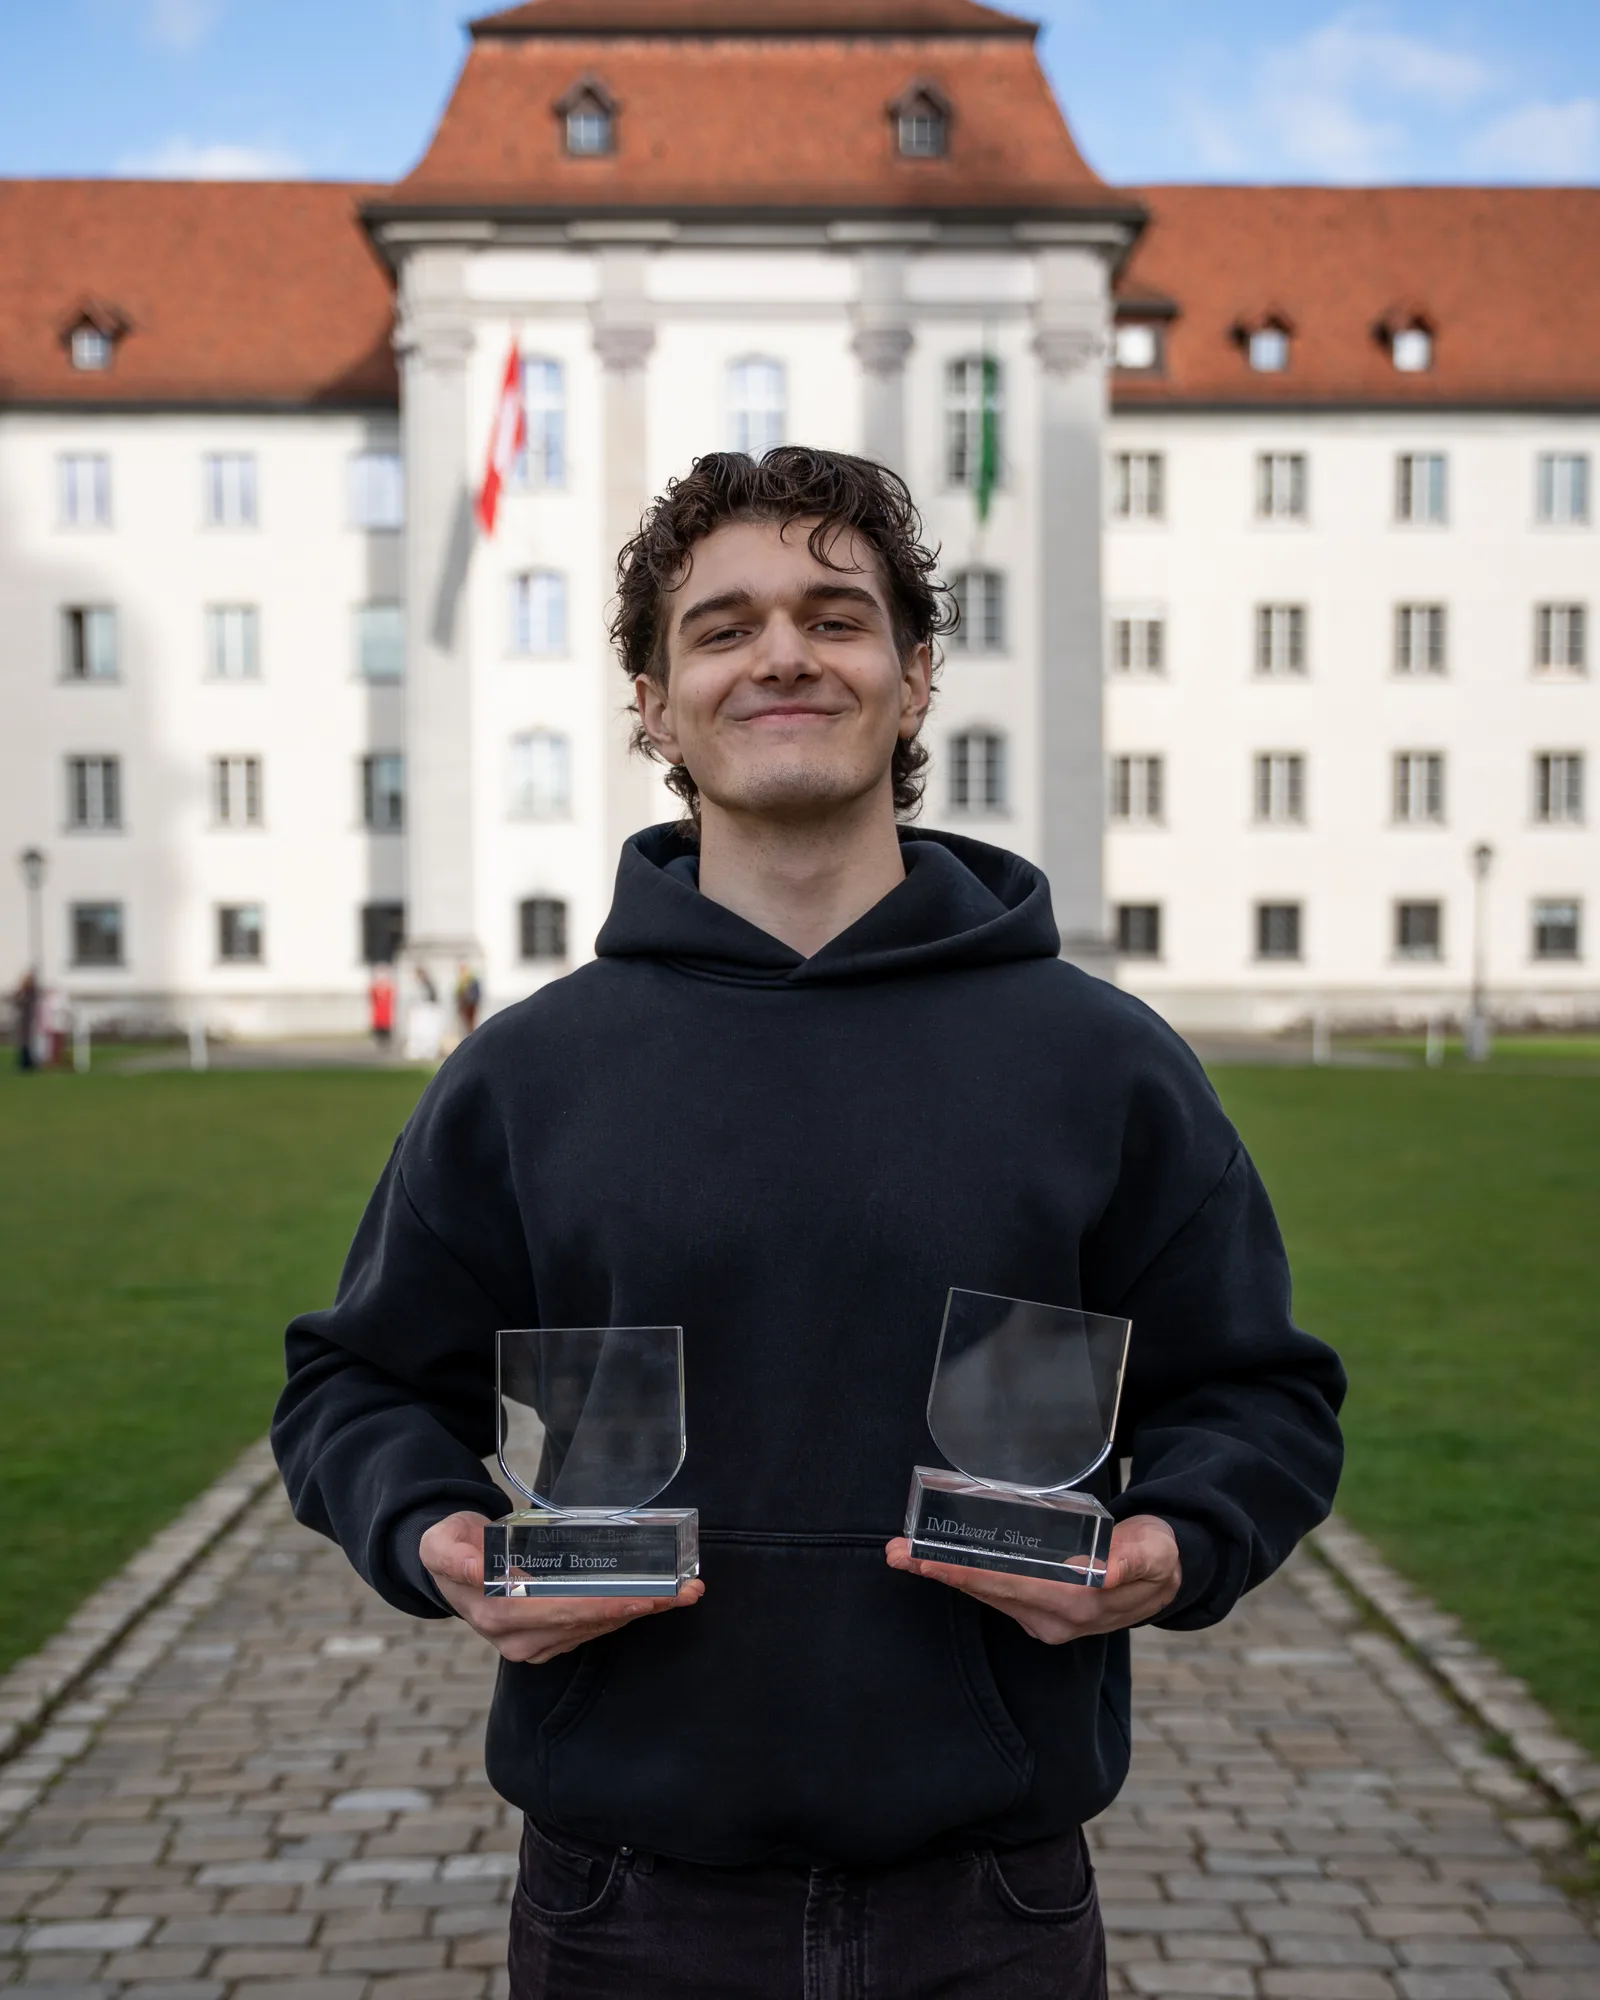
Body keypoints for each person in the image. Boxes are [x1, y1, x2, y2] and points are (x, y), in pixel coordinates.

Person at [274, 448, 1345, 2000]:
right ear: (652, 703)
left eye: (836, 618)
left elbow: (1259, 1396)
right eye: (722, 627)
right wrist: (433, 1533)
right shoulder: (530, 1073)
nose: (782, 650)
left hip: (991, 1904)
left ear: (914, 683)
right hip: (624, 1905)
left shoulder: (1098, 1060)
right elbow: (355, 1385)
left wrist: (1170, 1546)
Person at [11, 970, 38, 1071]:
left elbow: (29, 1002)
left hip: (30, 1021)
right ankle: (24, 1063)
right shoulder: (22, 992)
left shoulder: (32, 992)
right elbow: (16, 1000)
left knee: (29, 1042)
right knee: (23, 1042)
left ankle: (29, 1063)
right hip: (23, 1021)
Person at [369, 963, 396, 1049]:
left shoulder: (388, 988)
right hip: (378, 1013)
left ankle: (386, 1042)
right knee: (379, 1030)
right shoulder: (376, 988)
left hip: (386, 1013)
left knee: (386, 1029)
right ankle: (379, 1042)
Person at [455, 961, 482, 1037]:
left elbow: (474, 994)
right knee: (464, 1026)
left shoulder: (471, 979)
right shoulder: (462, 980)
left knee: (470, 1025)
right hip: (464, 1006)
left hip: (470, 1006)